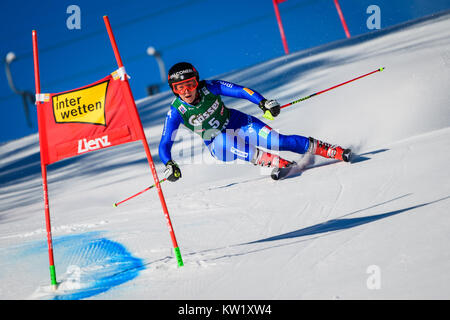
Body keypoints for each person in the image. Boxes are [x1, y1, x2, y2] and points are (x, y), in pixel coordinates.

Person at [159, 62, 351, 181]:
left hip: (238, 123)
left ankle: (326, 149)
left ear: (197, 82)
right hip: (219, 145)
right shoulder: (177, 111)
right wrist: (169, 163)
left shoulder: (210, 88)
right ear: (174, 90)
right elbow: (165, 142)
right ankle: (275, 161)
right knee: (223, 139)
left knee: (278, 141)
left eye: (190, 84)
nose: (186, 91)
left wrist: (263, 102)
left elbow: (241, 90)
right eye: (179, 88)